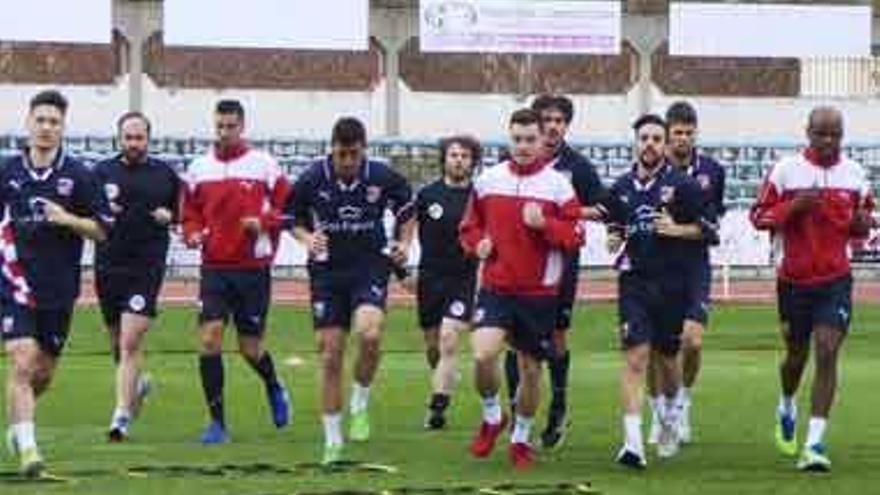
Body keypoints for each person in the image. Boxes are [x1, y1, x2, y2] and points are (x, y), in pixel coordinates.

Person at [750, 106, 874, 472]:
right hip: (794, 282)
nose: (828, 141)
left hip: (835, 279)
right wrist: (793, 206)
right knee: (796, 355)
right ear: (808, 132)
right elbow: (759, 216)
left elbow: (864, 223)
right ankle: (787, 402)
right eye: (822, 134)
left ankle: (814, 443)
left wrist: (861, 223)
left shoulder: (854, 175)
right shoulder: (786, 171)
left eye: (835, 134)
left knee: (827, 349)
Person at [286, 117, 415, 465]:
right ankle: (332, 440)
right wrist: (307, 238)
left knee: (370, 334)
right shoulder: (314, 177)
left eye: (353, 154)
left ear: (363, 151)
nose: (346, 162)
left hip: (369, 266)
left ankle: (359, 401)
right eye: (341, 154)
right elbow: (291, 217)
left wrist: (404, 243)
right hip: (327, 272)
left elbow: (407, 209)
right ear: (332, 148)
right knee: (330, 354)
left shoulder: (381, 176)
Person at [460, 108, 583, 470]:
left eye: (531, 140)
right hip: (496, 287)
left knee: (531, 371)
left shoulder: (558, 185)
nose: (524, 146)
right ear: (509, 139)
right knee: (483, 355)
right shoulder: (487, 180)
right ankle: (492, 415)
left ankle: (520, 438)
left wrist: (544, 222)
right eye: (518, 139)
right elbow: (468, 227)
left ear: (542, 140)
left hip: (538, 294)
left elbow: (576, 235)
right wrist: (477, 242)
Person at [1, 90, 113, 476]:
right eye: (41, 120)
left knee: (41, 374)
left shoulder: (79, 175)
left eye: (54, 122)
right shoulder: (8, 171)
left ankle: (18, 425)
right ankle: (30, 452)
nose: (46, 127)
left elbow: (101, 230)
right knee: (22, 359)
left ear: (62, 128)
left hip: (58, 289)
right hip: (13, 284)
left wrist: (68, 219)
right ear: (29, 122)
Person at [606, 114, 714, 469]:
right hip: (634, 282)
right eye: (644, 138)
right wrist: (614, 235)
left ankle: (670, 414)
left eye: (656, 138)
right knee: (635, 357)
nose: (649, 144)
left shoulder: (683, 185)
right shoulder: (620, 186)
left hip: (673, 283)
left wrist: (678, 229)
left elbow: (709, 230)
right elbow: (615, 222)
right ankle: (632, 442)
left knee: (668, 361)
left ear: (665, 144)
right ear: (635, 143)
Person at [181, 99, 291, 444]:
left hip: (252, 269)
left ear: (242, 126)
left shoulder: (264, 166)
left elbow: (289, 210)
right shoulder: (199, 168)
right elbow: (190, 214)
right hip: (214, 267)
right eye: (220, 127)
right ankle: (217, 423)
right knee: (210, 338)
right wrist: (192, 233)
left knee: (249, 348)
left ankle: (273, 384)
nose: (225, 133)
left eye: (231, 126)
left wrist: (263, 222)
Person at [503, 94, 608, 449]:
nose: (552, 126)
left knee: (557, 336)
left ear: (566, 125)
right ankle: (516, 410)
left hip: (559, 265)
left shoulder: (576, 167)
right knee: (514, 339)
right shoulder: (512, 161)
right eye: (546, 119)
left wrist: (567, 214)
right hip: (516, 265)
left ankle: (559, 404)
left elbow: (604, 208)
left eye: (559, 120)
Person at [93, 111, 181, 442]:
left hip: (146, 267)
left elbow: (181, 216)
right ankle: (138, 385)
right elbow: (88, 213)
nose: (133, 143)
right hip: (108, 266)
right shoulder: (101, 172)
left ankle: (120, 417)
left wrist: (169, 216)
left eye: (139, 137)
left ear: (148, 139)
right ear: (119, 139)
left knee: (131, 341)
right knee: (118, 344)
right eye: (128, 137)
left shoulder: (165, 175)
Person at [646, 101, 725, 445]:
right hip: (657, 268)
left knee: (691, 341)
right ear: (667, 135)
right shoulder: (652, 173)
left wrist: (678, 230)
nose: (682, 139)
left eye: (688, 133)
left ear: (695, 134)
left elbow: (712, 227)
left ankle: (682, 402)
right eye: (676, 133)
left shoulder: (712, 171)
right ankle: (658, 412)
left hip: (694, 268)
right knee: (652, 347)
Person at [413, 135, 480, 430]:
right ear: (444, 159)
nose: (459, 160)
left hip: (463, 278)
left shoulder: (479, 197)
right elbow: (409, 228)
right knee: (433, 346)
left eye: (465, 156)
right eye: (454, 155)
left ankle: (438, 406)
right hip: (430, 277)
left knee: (449, 338)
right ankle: (443, 375)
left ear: (472, 162)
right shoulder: (427, 195)